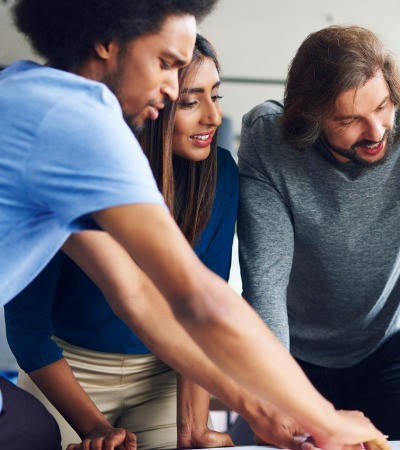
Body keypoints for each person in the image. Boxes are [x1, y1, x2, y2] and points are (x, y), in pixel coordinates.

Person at [0, 2, 387, 449]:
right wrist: (323, 418)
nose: (168, 87)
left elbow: (136, 295)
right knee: (33, 433)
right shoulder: (77, 119)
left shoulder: (30, 94)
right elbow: (198, 299)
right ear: (107, 44)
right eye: (165, 64)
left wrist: (261, 411)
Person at [237, 25, 400, 441]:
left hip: (386, 353)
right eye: (349, 120)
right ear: (311, 118)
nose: (376, 131)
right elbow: (264, 281)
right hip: (292, 360)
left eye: (383, 107)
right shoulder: (268, 139)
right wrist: (278, 401)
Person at [5, 34, 239, 450]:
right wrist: (94, 427)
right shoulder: (69, 164)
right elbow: (27, 330)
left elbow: (202, 307)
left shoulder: (221, 175)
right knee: (36, 437)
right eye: (190, 101)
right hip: (70, 370)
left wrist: (194, 427)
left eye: (216, 96)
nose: (213, 117)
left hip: (165, 371)